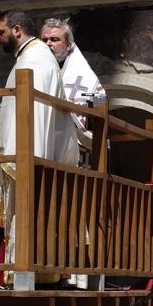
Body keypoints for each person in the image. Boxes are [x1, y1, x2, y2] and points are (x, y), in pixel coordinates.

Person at [0, 10, 77, 284]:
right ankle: (38, 274)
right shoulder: (33, 56)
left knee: (28, 212)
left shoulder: (32, 59)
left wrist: (22, 155)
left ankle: (26, 276)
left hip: (30, 151)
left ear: (17, 30)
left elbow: (32, 114)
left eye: (1, 32)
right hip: (35, 149)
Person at [40, 18, 106, 289]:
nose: (48, 44)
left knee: (71, 217)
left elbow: (91, 119)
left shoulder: (84, 77)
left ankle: (73, 277)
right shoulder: (39, 68)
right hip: (44, 155)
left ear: (68, 45)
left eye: (55, 39)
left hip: (75, 158)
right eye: (44, 39)